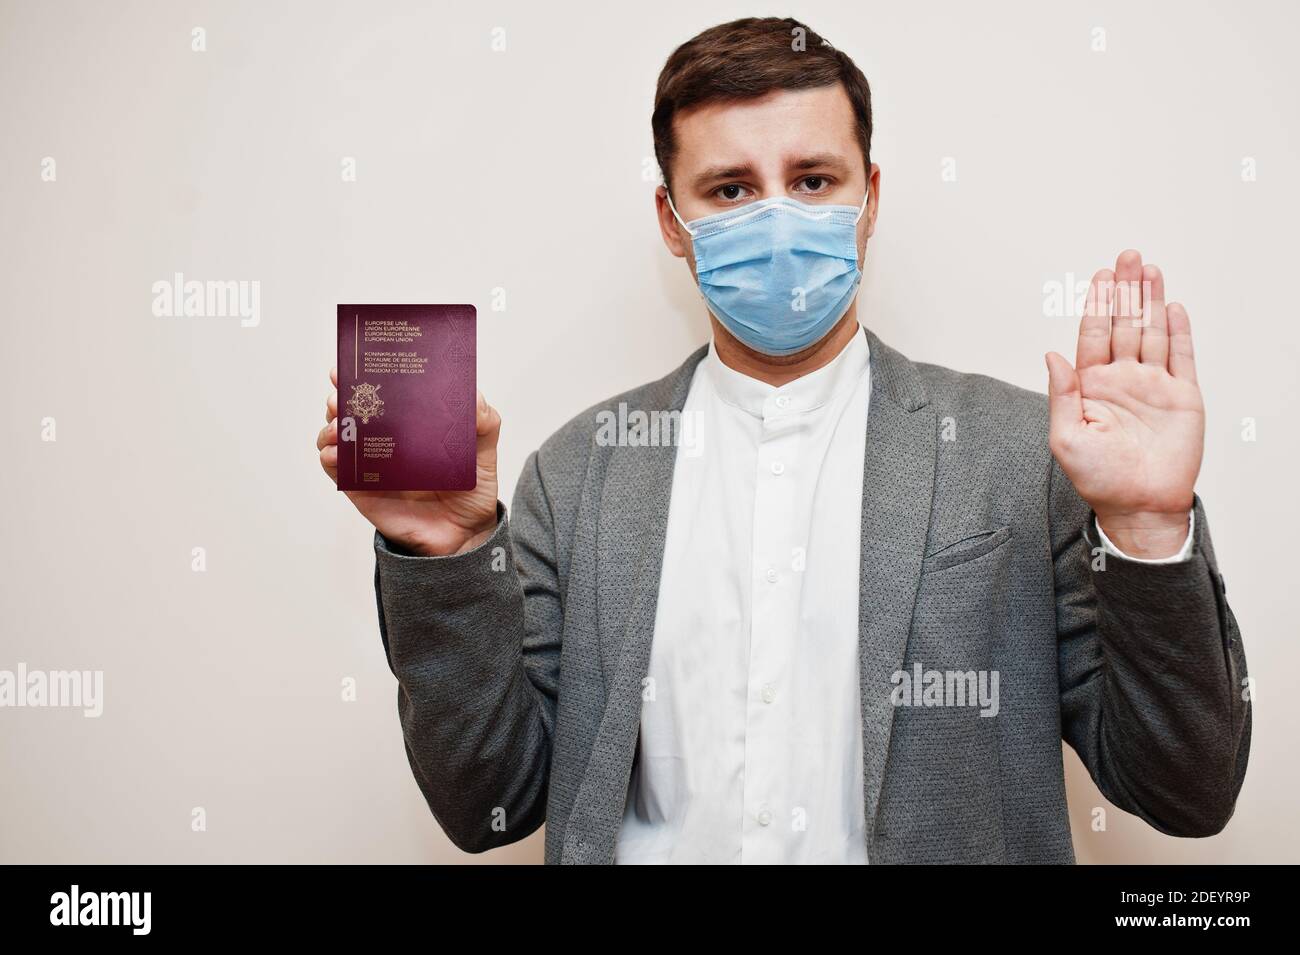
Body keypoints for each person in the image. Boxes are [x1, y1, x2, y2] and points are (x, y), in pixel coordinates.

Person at [316, 16, 1249, 864]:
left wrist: (1147, 530)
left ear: (870, 197)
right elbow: (491, 802)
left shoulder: (1017, 452)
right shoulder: (576, 473)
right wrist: (445, 554)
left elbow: (1186, 791)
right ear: (671, 224)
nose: (776, 218)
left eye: (812, 180)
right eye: (730, 188)